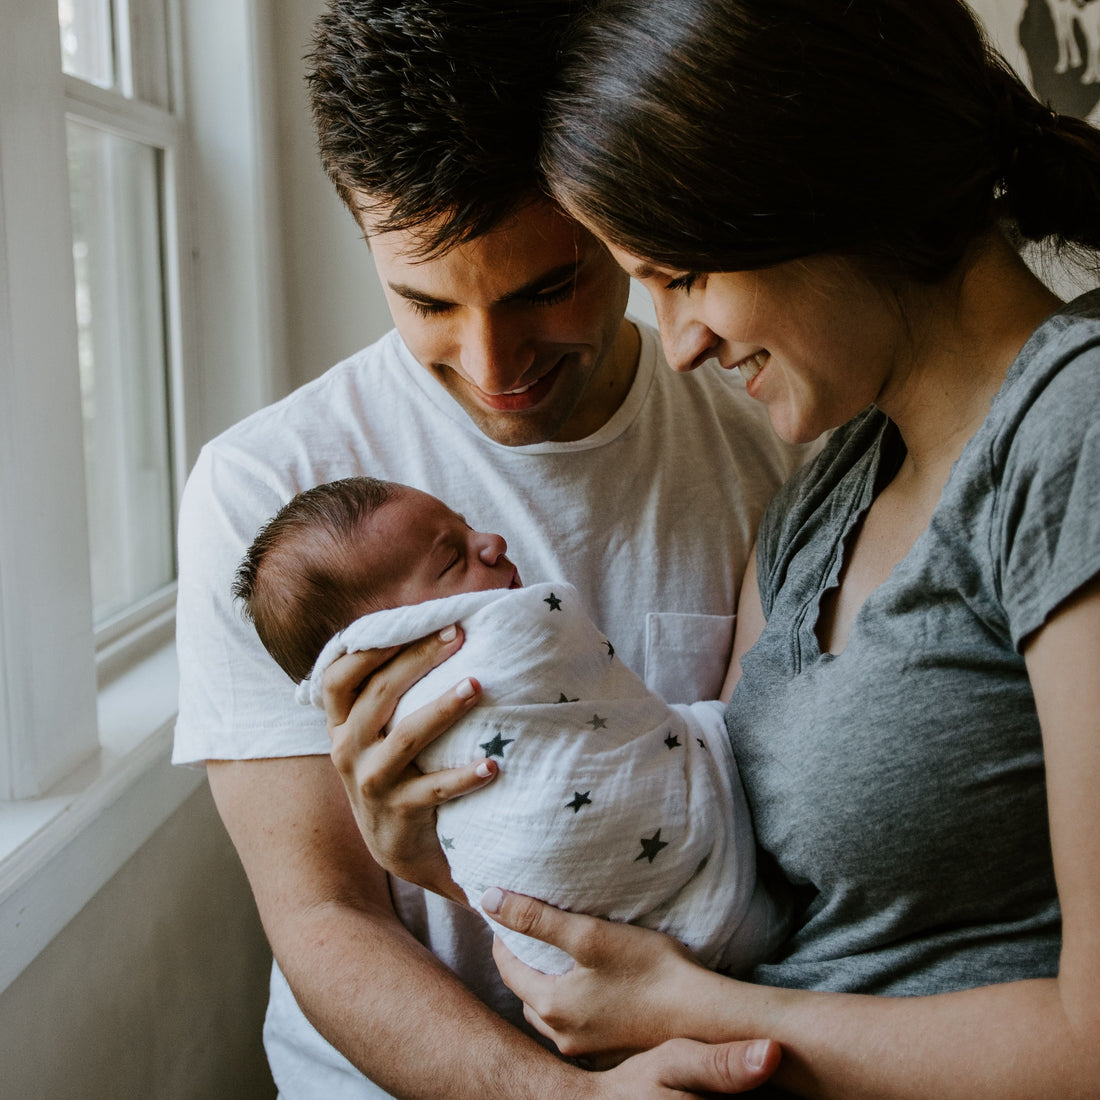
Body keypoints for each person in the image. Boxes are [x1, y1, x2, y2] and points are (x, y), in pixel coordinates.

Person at [357, 0, 1100, 1096]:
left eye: (685, 276)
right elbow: (727, 878)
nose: (679, 344)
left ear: (829, 192)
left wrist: (705, 1014)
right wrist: (457, 852)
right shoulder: (827, 493)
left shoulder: (1073, 430)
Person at [172, 1, 806, 1096]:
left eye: (546, 288)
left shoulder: (765, 440)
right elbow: (323, 915)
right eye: (425, 302)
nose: (492, 365)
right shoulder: (267, 493)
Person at [234, 476, 787, 977]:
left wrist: (427, 864)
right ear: (390, 635)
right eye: (451, 560)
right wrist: (409, 856)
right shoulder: (250, 478)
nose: (493, 541)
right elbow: (320, 916)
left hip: (586, 969)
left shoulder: (761, 469)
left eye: (467, 525)